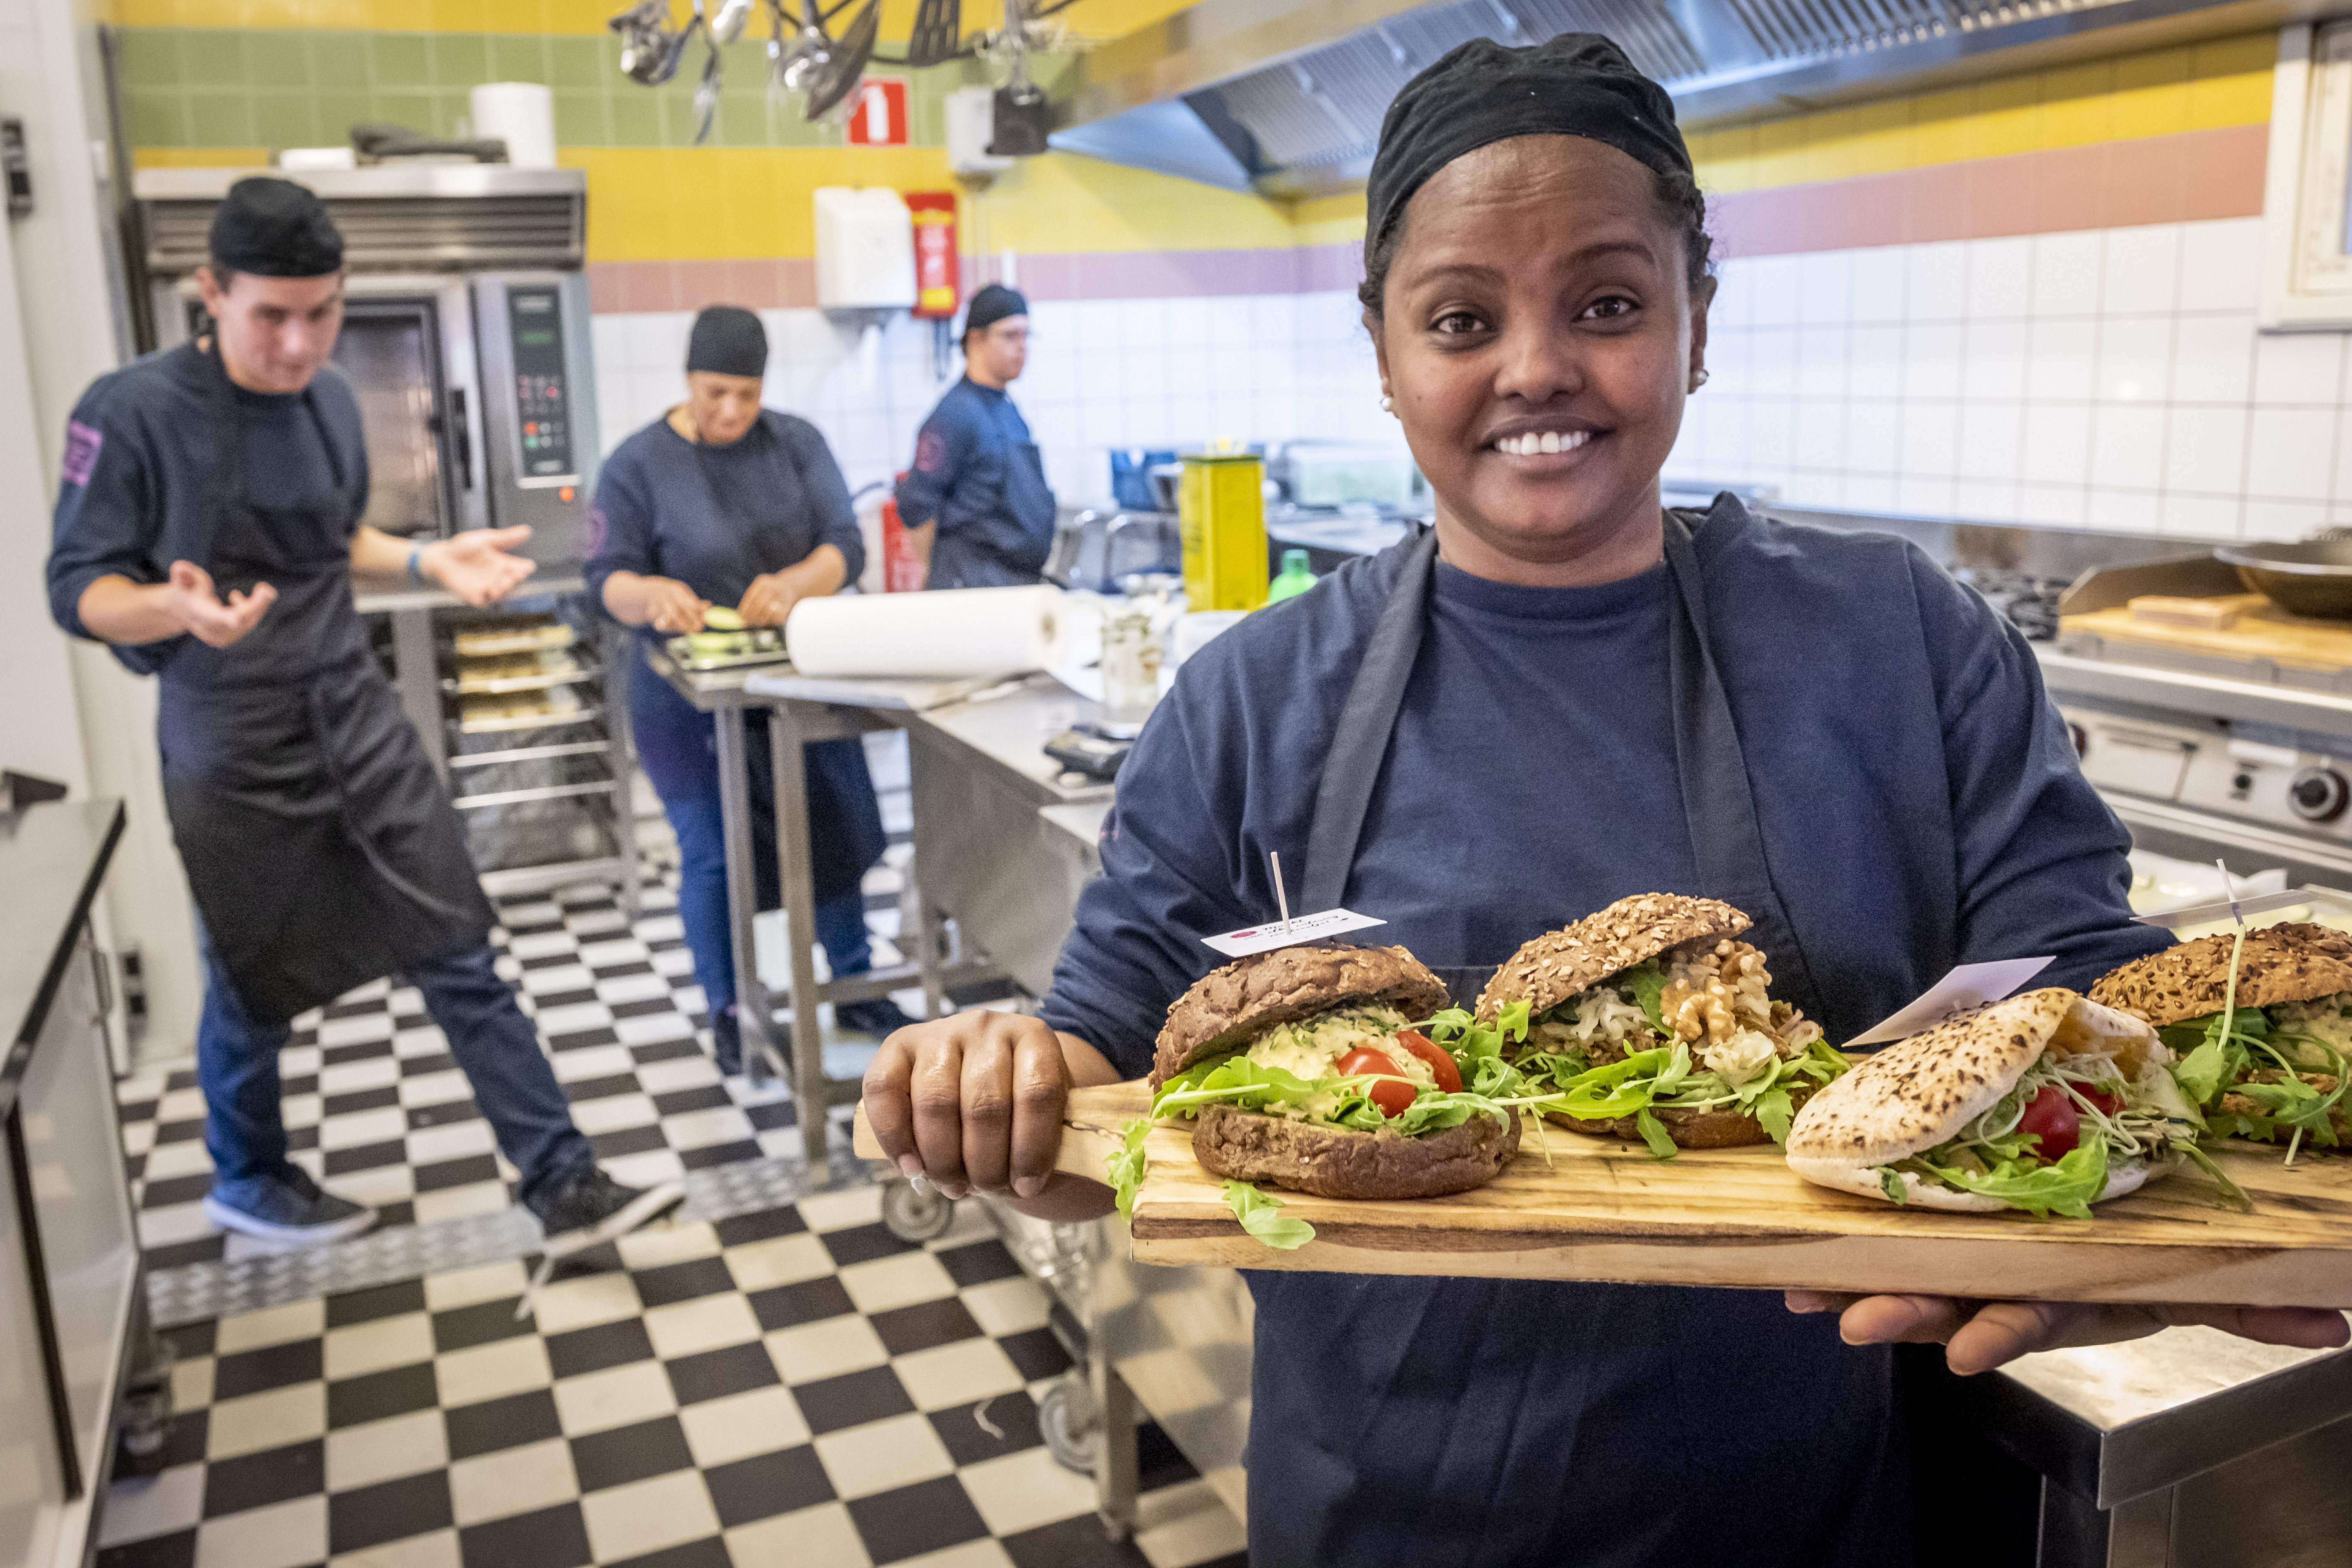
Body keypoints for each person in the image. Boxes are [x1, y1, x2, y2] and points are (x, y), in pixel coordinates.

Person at [861, 35, 2351, 1566]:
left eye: (1609, 303)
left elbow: (2080, 999)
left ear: (1696, 320)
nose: (1535, 368)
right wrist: (994, 1082)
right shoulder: (1252, 698)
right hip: (1382, 1514)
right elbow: (1096, 1067)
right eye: (1459, 317)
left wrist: (2160, 1222)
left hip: (1813, 1513)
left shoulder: (1899, 640)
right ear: (1382, 350)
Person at [47, 177, 685, 1255]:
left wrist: (431, 556)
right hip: (231, 740)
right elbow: (78, 587)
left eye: (324, 311)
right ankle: (248, 1176)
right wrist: (173, 607)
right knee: (251, 973)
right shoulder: (130, 412)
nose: (300, 344)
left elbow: (333, 539)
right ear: (211, 292)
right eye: (272, 316)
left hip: (351, 708)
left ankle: (561, 1178)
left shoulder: (331, 401)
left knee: (456, 939)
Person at [588, 305, 916, 1077]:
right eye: (713, 394)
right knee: (714, 852)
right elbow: (606, 579)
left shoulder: (796, 443)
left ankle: (855, 982)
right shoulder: (638, 464)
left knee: (832, 828)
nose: (730, 411)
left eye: (745, 394)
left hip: (798, 681)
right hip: (684, 701)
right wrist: (653, 596)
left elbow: (845, 541)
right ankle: (730, 1006)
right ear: (687, 381)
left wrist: (801, 581)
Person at [895, 282, 1057, 588]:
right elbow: (916, 506)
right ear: (976, 340)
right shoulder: (953, 416)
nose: (1023, 346)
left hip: (1014, 582)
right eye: (1011, 335)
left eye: (1026, 335)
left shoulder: (1007, 408)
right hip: (974, 587)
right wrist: (942, 575)